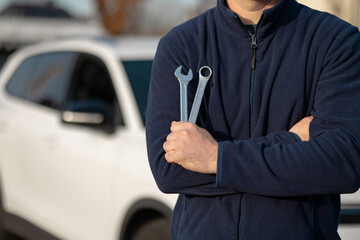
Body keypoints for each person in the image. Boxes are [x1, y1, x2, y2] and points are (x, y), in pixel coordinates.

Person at [146, 0, 360, 239]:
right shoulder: (182, 45)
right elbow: (167, 170)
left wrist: (214, 158)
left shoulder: (336, 41)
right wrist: (292, 141)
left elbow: (344, 161)